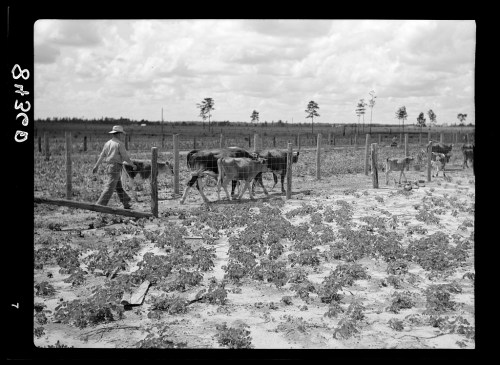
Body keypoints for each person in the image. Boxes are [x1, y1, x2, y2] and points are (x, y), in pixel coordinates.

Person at [92, 125, 137, 209]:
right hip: (116, 167)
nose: (122, 136)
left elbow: (102, 155)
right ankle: (100, 205)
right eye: (121, 134)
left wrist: (96, 166)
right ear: (119, 134)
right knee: (110, 187)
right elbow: (125, 157)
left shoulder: (107, 143)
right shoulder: (119, 144)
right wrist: (132, 165)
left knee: (118, 186)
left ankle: (126, 201)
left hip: (109, 166)